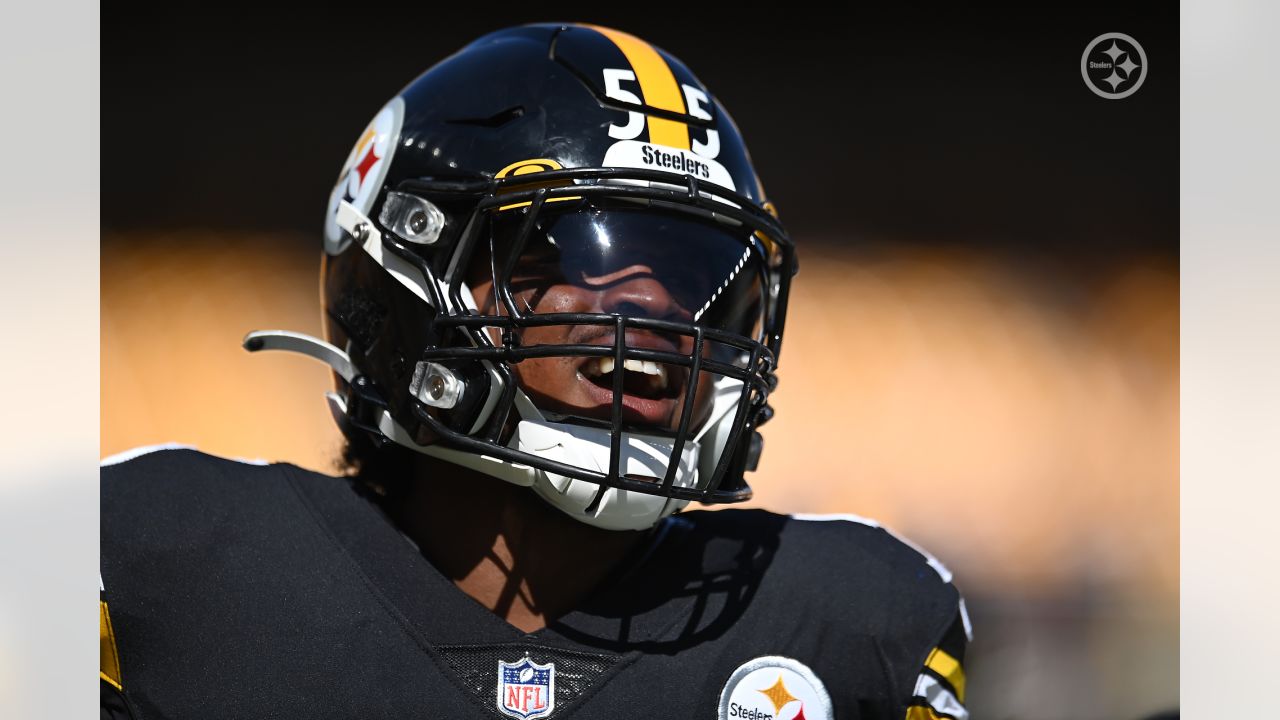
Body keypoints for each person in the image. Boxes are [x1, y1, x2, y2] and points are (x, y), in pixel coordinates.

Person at [101, 23, 971, 720]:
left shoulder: (855, 624)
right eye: (574, 255)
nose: (660, 316)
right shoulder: (160, 565)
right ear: (411, 269)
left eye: (699, 278)